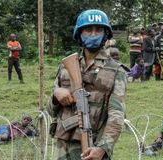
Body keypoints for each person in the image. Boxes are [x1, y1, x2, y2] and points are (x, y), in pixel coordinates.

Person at [46, 9, 128, 160]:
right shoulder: (66, 67)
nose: (93, 34)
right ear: (79, 34)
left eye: (99, 30)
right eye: (88, 30)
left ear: (106, 34)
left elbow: (117, 115)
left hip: (94, 147)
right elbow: (50, 111)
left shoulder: (116, 71)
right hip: (63, 148)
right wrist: (55, 96)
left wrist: (103, 147)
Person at [109, 47, 132, 132]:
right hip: (108, 91)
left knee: (121, 108)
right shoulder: (106, 66)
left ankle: (127, 125)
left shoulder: (122, 67)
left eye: (117, 55)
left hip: (119, 92)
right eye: (112, 55)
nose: (115, 57)